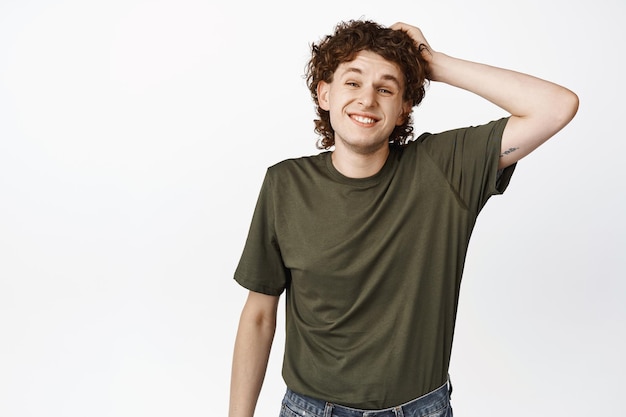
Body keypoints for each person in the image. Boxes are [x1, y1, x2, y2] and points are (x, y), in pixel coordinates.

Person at [228, 19, 578, 417]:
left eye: (386, 88)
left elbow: (556, 106)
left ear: (403, 108)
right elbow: (258, 316)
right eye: (353, 82)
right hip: (311, 409)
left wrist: (433, 63)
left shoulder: (445, 169)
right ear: (325, 94)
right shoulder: (285, 184)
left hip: (420, 408)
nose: (367, 99)